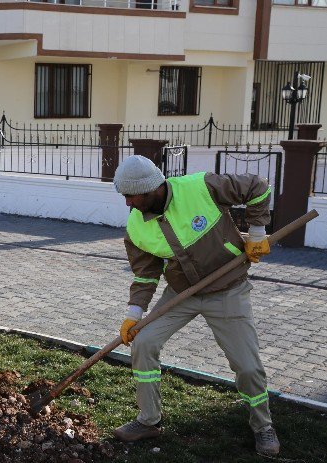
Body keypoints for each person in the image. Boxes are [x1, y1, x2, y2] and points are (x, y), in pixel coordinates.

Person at [112, 155, 280, 456]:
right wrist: (132, 315)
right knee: (143, 343)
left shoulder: (201, 187)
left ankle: (263, 427)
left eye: (131, 196)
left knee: (247, 366)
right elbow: (145, 276)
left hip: (228, 288)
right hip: (182, 293)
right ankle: (148, 420)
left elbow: (258, 186)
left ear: (153, 188)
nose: (127, 204)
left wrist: (257, 232)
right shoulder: (136, 228)